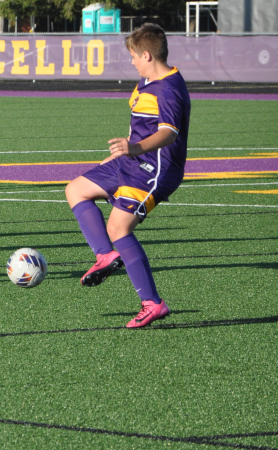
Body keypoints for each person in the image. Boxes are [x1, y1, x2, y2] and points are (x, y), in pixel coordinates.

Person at [64, 24, 190, 328]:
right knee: (75, 189)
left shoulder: (169, 88)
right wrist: (120, 154)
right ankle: (105, 256)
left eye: (134, 56)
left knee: (118, 227)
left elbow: (168, 133)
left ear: (147, 55)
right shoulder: (146, 81)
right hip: (131, 160)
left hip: (156, 169)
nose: (132, 61)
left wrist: (133, 148)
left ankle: (153, 303)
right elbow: (141, 126)